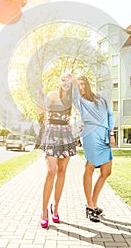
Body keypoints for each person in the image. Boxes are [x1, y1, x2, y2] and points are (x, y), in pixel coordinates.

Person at [72, 74, 115, 222]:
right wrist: (70, 80)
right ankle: (90, 206)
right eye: (78, 86)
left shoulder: (101, 98)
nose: (81, 88)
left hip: (104, 134)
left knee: (106, 171)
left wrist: (111, 133)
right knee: (90, 168)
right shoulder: (79, 100)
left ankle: (93, 203)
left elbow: (110, 115)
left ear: (88, 84)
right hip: (90, 135)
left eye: (83, 84)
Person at [40, 73, 76, 228]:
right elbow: (41, 108)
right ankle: (43, 211)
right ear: (59, 81)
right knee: (51, 171)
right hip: (52, 132)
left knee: (62, 171)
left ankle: (56, 207)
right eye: (63, 79)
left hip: (66, 133)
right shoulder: (53, 94)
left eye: (68, 80)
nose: (65, 82)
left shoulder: (71, 99)